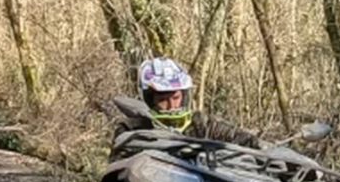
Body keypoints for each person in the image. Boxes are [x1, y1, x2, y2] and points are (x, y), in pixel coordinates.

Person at [110, 57, 262, 149]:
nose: (172, 106)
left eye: (176, 98)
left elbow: (239, 137)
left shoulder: (202, 124)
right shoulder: (130, 128)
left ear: (184, 97)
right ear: (150, 100)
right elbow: (121, 160)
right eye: (163, 100)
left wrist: (264, 148)